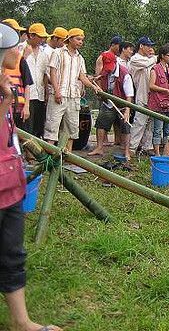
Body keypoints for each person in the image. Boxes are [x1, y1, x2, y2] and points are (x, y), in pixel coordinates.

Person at [0, 23, 63, 331]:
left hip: (10, 185)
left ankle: (21, 322)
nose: (19, 49)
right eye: (14, 46)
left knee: (13, 254)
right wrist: (6, 103)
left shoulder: (6, 82)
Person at [44, 28, 100, 151]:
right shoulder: (58, 53)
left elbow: (82, 77)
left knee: (71, 129)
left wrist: (93, 86)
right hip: (58, 95)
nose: (80, 42)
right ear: (69, 39)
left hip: (74, 97)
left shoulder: (80, 58)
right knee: (52, 127)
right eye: (78, 39)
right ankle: (49, 157)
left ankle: (67, 156)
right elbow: (52, 73)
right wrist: (57, 90)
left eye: (82, 40)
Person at [88, 51, 134, 161]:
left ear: (115, 62)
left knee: (125, 126)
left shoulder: (124, 74)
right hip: (108, 102)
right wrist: (94, 79)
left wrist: (127, 110)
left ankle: (126, 151)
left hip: (122, 103)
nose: (108, 69)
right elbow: (100, 76)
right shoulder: (106, 70)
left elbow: (129, 95)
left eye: (110, 66)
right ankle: (99, 148)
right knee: (101, 123)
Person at [1, 19, 33, 131]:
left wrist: (26, 106)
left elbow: (27, 84)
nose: (17, 50)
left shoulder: (20, 60)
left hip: (18, 108)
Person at [147, 45, 169, 156]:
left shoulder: (168, 69)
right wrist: (166, 90)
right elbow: (151, 85)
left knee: (168, 129)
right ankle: (157, 153)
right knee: (158, 129)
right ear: (162, 56)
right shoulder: (155, 68)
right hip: (158, 103)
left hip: (168, 103)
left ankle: (166, 151)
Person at [128, 37, 157, 156]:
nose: (150, 48)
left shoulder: (149, 59)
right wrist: (156, 57)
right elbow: (146, 63)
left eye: (151, 46)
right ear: (141, 46)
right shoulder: (135, 59)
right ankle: (132, 147)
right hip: (142, 93)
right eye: (148, 46)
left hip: (152, 96)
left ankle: (147, 146)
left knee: (150, 123)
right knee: (139, 122)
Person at [23, 24, 50, 138]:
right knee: (26, 126)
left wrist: (46, 92)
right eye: (40, 37)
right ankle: (27, 154)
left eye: (43, 37)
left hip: (40, 94)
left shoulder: (44, 54)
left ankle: (35, 153)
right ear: (31, 35)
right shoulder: (20, 49)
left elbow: (45, 75)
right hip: (26, 94)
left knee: (38, 126)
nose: (42, 40)